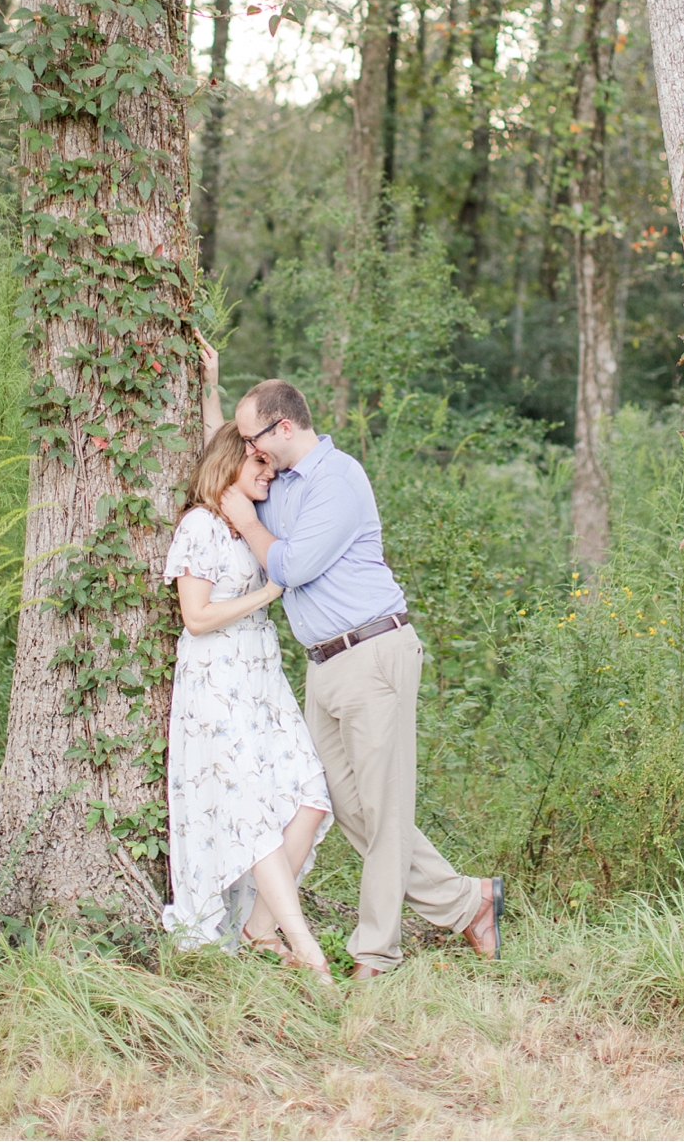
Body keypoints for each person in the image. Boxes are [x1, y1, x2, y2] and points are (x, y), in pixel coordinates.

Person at [218, 376, 504, 981]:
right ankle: (469, 902)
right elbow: (219, 461)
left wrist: (244, 519)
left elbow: (290, 565)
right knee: (345, 807)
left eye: (254, 440)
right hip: (322, 665)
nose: (249, 453)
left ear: (284, 428)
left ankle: (375, 954)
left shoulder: (338, 480)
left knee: (384, 806)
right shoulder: (277, 483)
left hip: (373, 651)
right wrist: (209, 391)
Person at [161, 403, 333, 982]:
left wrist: (210, 384)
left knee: (310, 796)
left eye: (269, 462)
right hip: (217, 684)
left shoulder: (248, 519)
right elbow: (197, 617)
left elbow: (223, 435)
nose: (268, 472)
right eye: (258, 463)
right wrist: (268, 594)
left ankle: (259, 931)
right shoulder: (201, 526)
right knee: (251, 815)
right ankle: (306, 948)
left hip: (262, 681)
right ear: (232, 463)